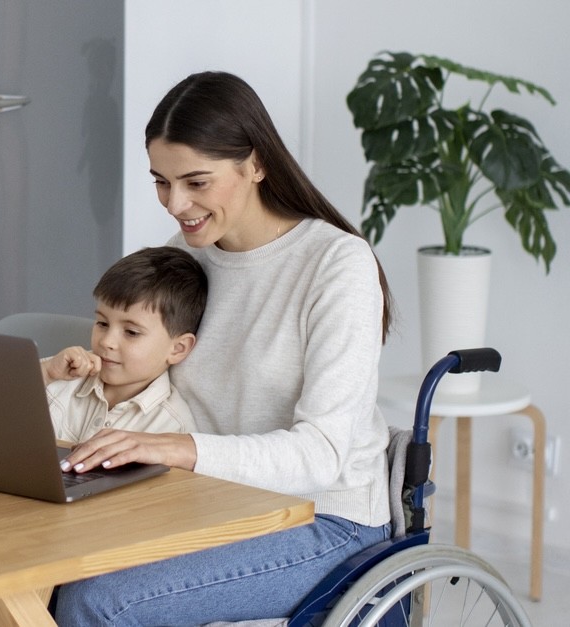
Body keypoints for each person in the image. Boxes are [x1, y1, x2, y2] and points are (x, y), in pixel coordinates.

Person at [54, 71, 396, 625]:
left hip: (326, 521)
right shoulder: (184, 258)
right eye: (161, 182)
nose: (175, 203)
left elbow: (322, 455)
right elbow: (134, 382)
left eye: (196, 182)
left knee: (98, 600)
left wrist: (176, 448)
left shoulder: (336, 265)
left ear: (256, 164)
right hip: (205, 500)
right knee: (29, 565)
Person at [42, 246, 205, 446]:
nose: (106, 342)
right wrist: (46, 374)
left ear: (177, 348)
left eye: (131, 332)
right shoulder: (60, 376)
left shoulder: (172, 429)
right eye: (102, 324)